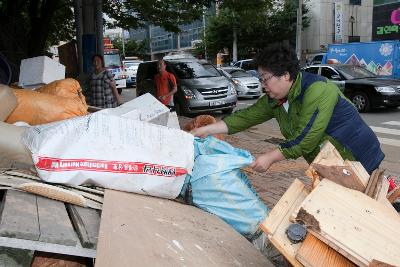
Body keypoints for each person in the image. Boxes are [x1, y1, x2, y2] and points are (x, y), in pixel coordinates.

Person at [191, 44, 384, 174]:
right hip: (329, 163)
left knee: (368, 213)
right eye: (261, 79)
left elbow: (305, 140)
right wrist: (205, 130)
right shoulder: (276, 98)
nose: (263, 85)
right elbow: (246, 116)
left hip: (357, 158)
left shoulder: (318, 90)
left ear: (285, 75)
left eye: (265, 78)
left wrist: (270, 158)